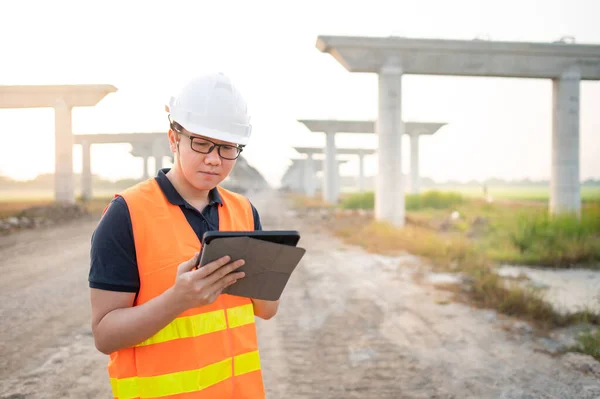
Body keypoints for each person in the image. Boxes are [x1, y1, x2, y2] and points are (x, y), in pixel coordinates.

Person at [88, 72, 277, 399]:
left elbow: (267, 309)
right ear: (174, 139)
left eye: (227, 147)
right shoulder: (127, 213)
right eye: (201, 143)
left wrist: (270, 272)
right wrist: (177, 300)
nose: (214, 158)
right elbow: (105, 336)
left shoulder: (244, 211)